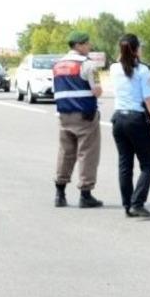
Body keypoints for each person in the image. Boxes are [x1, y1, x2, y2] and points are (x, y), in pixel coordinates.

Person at [110, 34, 150, 218]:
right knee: (148, 164)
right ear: (136, 49)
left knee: (125, 165)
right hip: (137, 120)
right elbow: (149, 99)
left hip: (118, 119)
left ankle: (127, 205)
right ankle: (137, 203)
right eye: (139, 47)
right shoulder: (142, 71)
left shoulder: (113, 69)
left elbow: (122, 62)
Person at [52, 30, 104, 207]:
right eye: (87, 43)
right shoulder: (89, 65)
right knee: (87, 154)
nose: (89, 46)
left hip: (64, 116)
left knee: (65, 153)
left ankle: (60, 194)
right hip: (85, 116)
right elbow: (97, 90)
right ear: (79, 45)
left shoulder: (58, 65)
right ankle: (85, 194)